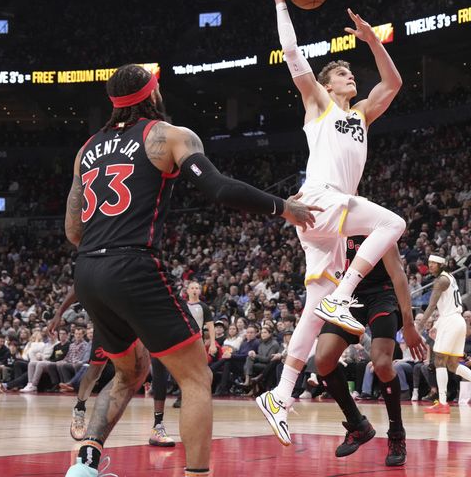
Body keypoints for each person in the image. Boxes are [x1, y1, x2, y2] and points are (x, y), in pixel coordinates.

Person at [63, 64, 319, 477]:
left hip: (89, 270)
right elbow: (218, 188)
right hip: (133, 264)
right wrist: (283, 207)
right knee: (196, 377)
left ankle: (86, 464)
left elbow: (74, 230)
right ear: (152, 94)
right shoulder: (169, 135)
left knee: (131, 371)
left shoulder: (87, 148)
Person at [258, 0, 407, 446]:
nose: (350, 75)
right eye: (343, 72)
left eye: (349, 72)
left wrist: (372, 42)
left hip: (327, 221)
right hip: (321, 200)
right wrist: (282, 4)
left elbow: (393, 83)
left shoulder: (361, 113)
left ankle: (280, 393)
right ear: (329, 83)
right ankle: (347, 292)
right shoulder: (320, 103)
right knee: (392, 222)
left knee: (313, 311)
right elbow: (295, 57)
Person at [312, 237, 425, 467]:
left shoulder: (376, 226)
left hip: (382, 296)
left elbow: (398, 276)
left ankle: (396, 434)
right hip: (348, 296)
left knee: (382, 364)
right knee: (322, 360)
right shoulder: (334, 229)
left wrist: (409, 324)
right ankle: (357, 424)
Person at [50, 290, 176, 447]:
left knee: (158, 362)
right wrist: (59, 313)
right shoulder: (102, 270)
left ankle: (158, 425)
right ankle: (80, 408)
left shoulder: (139, 272)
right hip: (108, 325)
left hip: (137, 322)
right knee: (95, 371)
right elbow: (79, 286)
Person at [417, 255, 471, 414]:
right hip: (454, 320)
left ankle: (442, 403)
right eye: (429, 263)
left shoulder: (441, 280)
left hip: (451, 321)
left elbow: (432, 305)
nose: (431, 265)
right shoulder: (449, 278)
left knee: (439, 360)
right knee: (452, 364)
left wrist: (418, 326)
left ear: (442, 265)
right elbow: (446, 306)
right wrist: (437, 324)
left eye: (435, 263)